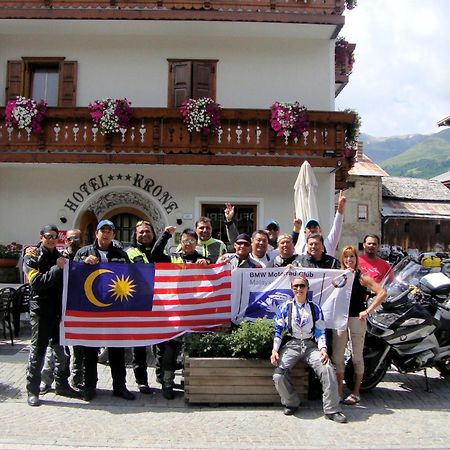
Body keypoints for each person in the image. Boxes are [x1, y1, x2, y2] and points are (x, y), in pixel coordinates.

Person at [270, 276, 347, 423]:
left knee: (328, 368)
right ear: (292, 289)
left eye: (302, 286)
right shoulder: (285, 307)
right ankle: (291, 402)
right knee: (279, 375)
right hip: (292, 345)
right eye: (296, 286)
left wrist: (323, 349)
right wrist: (275, 350)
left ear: (307, 288)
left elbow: (320, 331)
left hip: (310, 345)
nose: (299, 289)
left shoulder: (315, 308)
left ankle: (332, 409)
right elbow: (278, 330)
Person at [74, 219, 134, 401]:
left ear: (114, 235)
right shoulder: (83, 252)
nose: (106, 234)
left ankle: (120, 387)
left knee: (117, 350)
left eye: (110, 231)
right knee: (89, 351)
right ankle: (90, 387)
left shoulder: (121, 254)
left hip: (115, 310)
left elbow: (131, 277)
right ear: (96, 234)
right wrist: (83, 264)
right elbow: (72, 277)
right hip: (90, 310)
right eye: (103, 230)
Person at [23, 224, 80, 407]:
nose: (52, 239)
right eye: (48, 235)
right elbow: (38, 282)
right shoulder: (31, 255)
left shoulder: (61, 256)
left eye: (55, 236)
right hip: (41, 311)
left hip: (58, 311)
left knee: (62, 351)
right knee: (38, 352)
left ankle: (62, 384)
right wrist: (57, 268)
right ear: (41, 237)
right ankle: (33, 390)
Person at [157, 228, 210, 399]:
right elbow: (155, 254)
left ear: (196, 243)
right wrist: (165, 235)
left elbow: (217, 273)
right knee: (170, 349)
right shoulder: (173, 258)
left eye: (191, 242)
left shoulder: (203, 260)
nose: (188, 244)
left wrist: (207, 265)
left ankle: (190, 382)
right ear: (180, 242)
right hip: (174, 311)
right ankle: (167, 382)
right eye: (185, 241)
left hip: (195, 312)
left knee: (192, 348)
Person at [332, 245, 387, 405]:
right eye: (346, 257)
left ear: (356, 259)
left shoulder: (362, 277)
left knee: (357, 356)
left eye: (352, 257)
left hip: (357, 318)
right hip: (340, 319)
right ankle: (339, 390)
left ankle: (356, 392)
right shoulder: (338, 276)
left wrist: (368, 311)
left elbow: (382, 293)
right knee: (338, 356)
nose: (349, 260)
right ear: (342, 259)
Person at [126, 220, 175, 394]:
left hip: (161, 303)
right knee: (139, 344)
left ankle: (162, 377)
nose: (144, 235)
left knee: (162, 342)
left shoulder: (163, 252)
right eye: (141, 232)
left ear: (153, 234)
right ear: (135, 235)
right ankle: (141, 381)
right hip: (138, 303)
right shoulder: (129, 253)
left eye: (148, 232)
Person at [40, 229, 84, 394]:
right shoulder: (58, 257)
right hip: (57, 308)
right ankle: (47, 381)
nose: (73, 240)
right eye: (70, 238)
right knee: (55, 349)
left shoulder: (84, 256)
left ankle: (75, 380)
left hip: (77, 308)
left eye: (77, 238)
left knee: (78, 348)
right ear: (65, 241)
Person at [301, 190, 347, 257]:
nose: (312, 229)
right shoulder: (300, 249)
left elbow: (337, 226)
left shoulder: (328, 243)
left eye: (315, 227)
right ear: (305, 232)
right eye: (309, 228)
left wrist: (340, 207)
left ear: (320, 230)